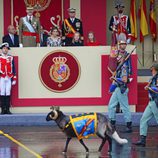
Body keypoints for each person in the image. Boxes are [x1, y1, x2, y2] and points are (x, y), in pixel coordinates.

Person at [108, 39, 132, 133]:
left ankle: (129, 125)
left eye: (119, 57)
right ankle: (112, 124)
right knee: (111, 106)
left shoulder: (124, 68)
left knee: (125, 107)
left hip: (122, 88)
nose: (117, 58)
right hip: (117, 88)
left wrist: (114, 79)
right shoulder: (118, 68)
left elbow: (124, 80)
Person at [134, 64, 158, 147]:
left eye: (152, 70)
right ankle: (142, 140)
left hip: (156, 102)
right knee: (143, 119)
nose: (151, 71)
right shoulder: (152, 78)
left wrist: (149, 88)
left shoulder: (157, 78)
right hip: (151, 102)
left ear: (155, 69)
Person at [0, 43, 16, 114]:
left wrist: (14, 78)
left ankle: (8, 109)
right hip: (1, 77)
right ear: (1, 49)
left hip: (9, 77)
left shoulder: (11, 57)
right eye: (4, 48)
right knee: (2, 92)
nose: (5, 50)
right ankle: (3, 109)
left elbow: (14, 68)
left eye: (6, 48)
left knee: (8, 92)